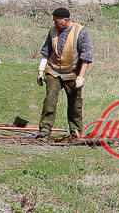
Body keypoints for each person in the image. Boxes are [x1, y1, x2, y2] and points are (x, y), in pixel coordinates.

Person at [36, 7, 92, 139]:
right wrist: (40, 70)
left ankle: (76, 130)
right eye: (54, 21)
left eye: (57, 21)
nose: (55, 24)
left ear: (66, 20)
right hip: (53, 71)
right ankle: (44, 129)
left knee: (75, 103)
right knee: (50, 99)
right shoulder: (53, 31)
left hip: (72, 74)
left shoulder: (80, 31)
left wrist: (81, 77)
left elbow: (86, 56)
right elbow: (46, 52)